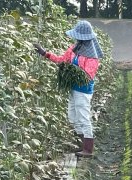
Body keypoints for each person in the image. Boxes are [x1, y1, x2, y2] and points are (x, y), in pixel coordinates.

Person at [34, 20, 103, 158]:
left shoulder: (92, 57)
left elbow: (87, 75)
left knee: (83, 118)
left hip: (83, 91)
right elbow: (62, 60)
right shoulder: (74, 49)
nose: (76, 39)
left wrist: (70, 70)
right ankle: (83, 144)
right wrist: (45, 53)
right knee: (73, 117)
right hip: (73, 89)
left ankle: (88, 149)